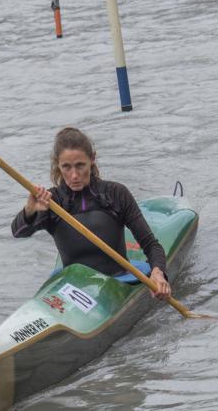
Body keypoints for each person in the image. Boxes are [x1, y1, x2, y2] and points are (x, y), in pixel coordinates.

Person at [11, 127, 171, 300]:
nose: (74, 175)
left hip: (116, 283)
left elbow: (150, 245)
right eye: (66, 167)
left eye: (80, 165)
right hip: (73, 290)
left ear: (92, 159)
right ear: (58, 164)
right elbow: (18, 232)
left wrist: (158, 272)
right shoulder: (51, 201)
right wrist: (30, 210)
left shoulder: (115, 193)